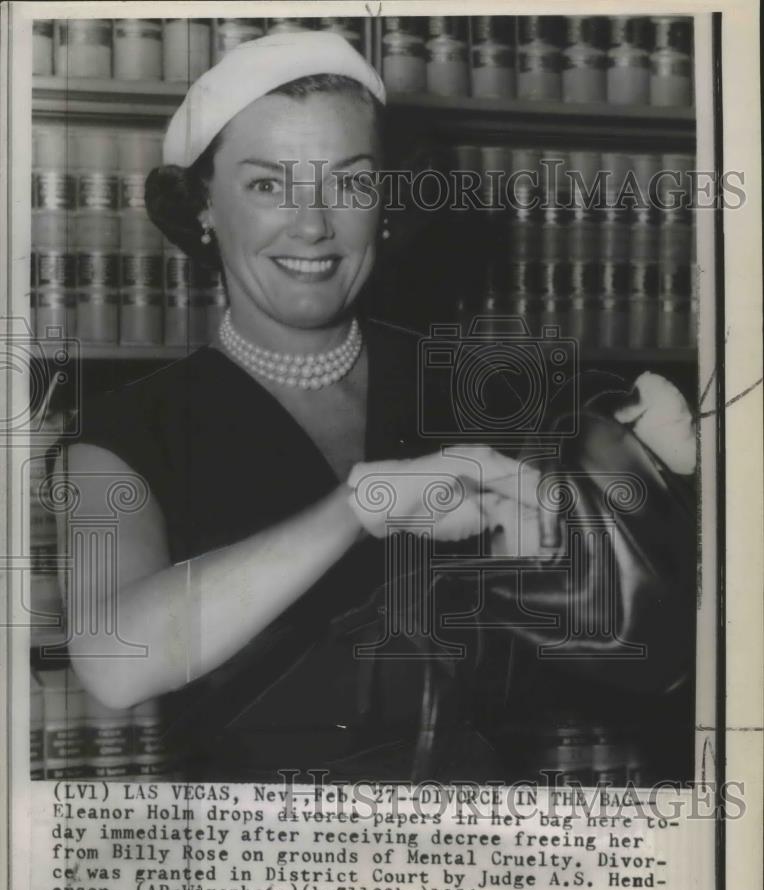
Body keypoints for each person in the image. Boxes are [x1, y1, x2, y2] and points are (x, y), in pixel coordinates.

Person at [52, 31, 696, 784]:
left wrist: (645, 494)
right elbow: (112, 661)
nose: (314, 224)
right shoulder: (122, 430)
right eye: (268, 185)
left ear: (387, 206)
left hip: (475, 854)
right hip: (256, 868)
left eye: (350, 184)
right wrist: (361, 508)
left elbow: (654, 653)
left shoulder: (484, 390)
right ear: (201, 207)